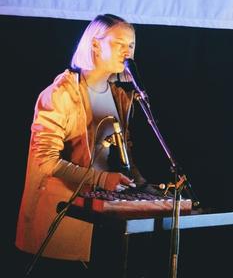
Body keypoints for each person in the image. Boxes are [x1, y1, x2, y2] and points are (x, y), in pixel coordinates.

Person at [15, 14, 151, 276]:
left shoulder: (121, 97)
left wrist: (144, 185)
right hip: (61, 219)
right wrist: (102, 179)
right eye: (120, 42)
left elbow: (124, 156)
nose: (128, 51)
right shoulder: (60, 94)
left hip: (102, 218)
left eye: (132, 45)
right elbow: (45, 161)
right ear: (95, 45)